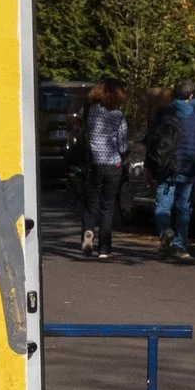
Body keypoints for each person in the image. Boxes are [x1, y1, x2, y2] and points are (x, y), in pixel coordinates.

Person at [144, 81, 195, 261]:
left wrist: (148, 166)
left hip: (164, 167)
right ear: (191, 96)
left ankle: (165, 233)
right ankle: (179, 246)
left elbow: (151, 142)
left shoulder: (161, 114)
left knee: (162, 206)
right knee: (183, 208)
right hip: (187, 168)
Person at [78, 82, 128, 259]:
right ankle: (104, 249)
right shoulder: (119, 116)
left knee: (91, 203)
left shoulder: (89, 111)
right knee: (108, 206)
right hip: (112, 164)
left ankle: (88, 231)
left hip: (93, 163)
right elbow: (122, 144)